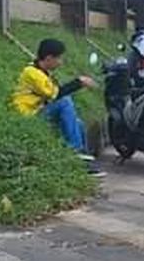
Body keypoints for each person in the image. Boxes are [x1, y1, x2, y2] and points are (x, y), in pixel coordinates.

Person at [11, 39, 103, 174]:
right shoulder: (32, 73)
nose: (61, 62)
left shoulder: (41, 71)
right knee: (64, 101)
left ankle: (84, 161)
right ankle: (76, 153)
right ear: (49, 58)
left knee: (78, 124)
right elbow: (55, 94)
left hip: (38, 110)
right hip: (29, 116)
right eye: (59, 58)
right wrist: (79, 82)